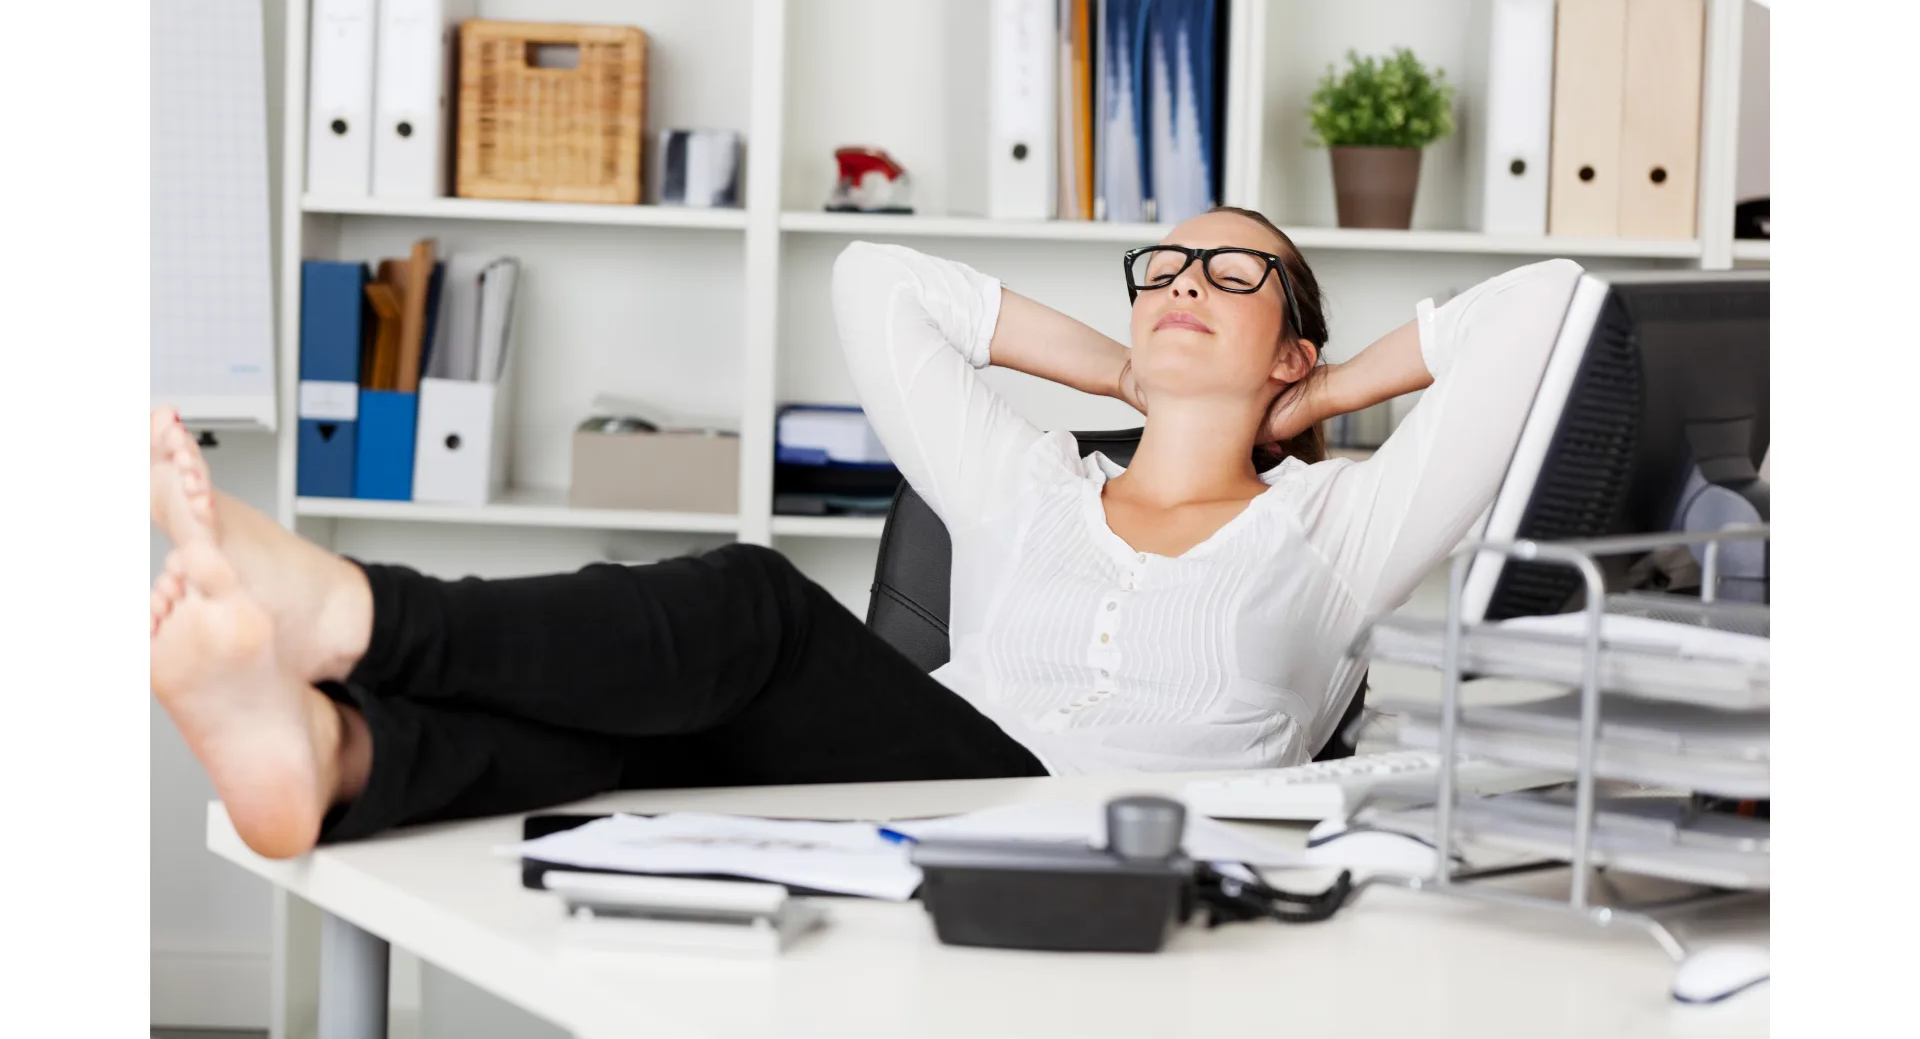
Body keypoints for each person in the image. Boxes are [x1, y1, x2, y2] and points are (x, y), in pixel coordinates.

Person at [149, 206, 1582, 859]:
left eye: (1238, 271)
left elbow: (1548, 305)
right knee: (656, 734)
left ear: (1292, 347)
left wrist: (1322, 397)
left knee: (751, 610)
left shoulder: (1340, 525)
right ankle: (336, 753)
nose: (1184, 279)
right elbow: (877, 278)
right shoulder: (1029, 486)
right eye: (1164, 264)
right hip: (943, 788)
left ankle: (357, 618)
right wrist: (1121, 369)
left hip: (1122, 836)